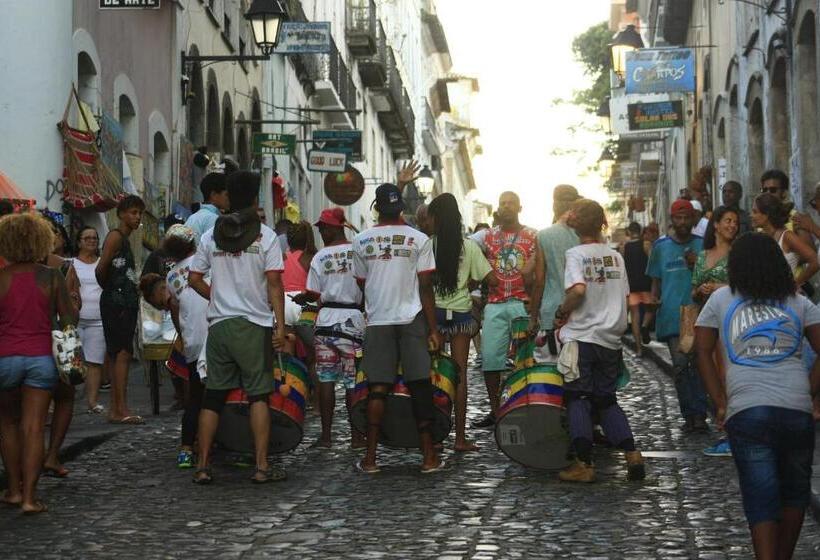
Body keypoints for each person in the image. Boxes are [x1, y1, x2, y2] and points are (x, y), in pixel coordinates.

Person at [695, 232, 820, 560]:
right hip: (796, 409)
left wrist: (719, 400)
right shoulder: (798, 301)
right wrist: (809, 389)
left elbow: (702, 351)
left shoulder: (721, 300)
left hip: (747, 411)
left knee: (759, 494)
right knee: (795, 494)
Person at [188, 171, 287, 484]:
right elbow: (274, 285)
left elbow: (193, 278)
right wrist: (280, 327)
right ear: (256, 199)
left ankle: (203, 466)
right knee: (259, 397)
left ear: (228, 197)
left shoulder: (209, 236)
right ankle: (261, 467)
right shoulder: (266, 237)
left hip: (219, 327)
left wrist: (216, 297)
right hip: (253, 326)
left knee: (213, 397)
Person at [352, 182, 443, 474]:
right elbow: (426, 287)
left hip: (378, 319)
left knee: (377, 388)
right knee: (420, 386)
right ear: (401, 207)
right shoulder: (419, 239)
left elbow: (362, 283)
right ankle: (429, 457)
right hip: (412, 316)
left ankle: (370, 458)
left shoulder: (361, 240)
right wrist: (433, 329)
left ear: (376, 208)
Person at [554, 200, 645, 483]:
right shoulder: (615, 256)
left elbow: (578, 290)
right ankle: (632, 454)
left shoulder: (575, 254)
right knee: (606, 399)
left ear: (576, 223)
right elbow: (625, 295)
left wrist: (562, 310)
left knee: (577, 397)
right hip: (611, 338)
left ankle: (584, 463)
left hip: (583, 336)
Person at [0, 213, 76, 514]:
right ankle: (31, 498)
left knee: (7, 424)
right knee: (33, 428)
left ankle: (14, 491)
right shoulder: (51, 276)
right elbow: (69, 319)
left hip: (4, 357)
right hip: (42, 357)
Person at [292, 207, 365, 449]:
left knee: (326, 379)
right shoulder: (357, 251)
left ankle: (326, 436)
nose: (321, 231)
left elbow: (313, 293)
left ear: (335, 227)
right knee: (352, 381)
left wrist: (303, 298)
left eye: (323, 227)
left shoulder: (320, 257)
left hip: (324, 323)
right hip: (352, 322)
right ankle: (356, 437)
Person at [428, 193, 495, 452]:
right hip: (460, 316)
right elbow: (492, 280)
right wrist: (472, 282)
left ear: (436, 218)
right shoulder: (469, 247)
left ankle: (433, 436)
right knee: (460, 376)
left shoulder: (428, 245)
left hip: (434, 315)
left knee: (432, 375)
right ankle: (459, 438)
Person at [140, 225, 209, 469]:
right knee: (222, 395)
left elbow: (177, 311)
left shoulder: (171, 277)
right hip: (215, 336)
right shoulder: (206, 263)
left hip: (192, 341)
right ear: (193, 244)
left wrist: (184, 337)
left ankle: (186, 449)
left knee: (194, 399)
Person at [470, 191, 538, 428]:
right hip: (495, 305)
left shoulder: (532, 236)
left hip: (522, 304)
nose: (506, 207)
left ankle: (525, 406)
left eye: (511, 203)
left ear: (520, 207)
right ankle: (495, 410)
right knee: (490, 360)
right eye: (502, 203)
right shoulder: (487, 236)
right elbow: (465, 248)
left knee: (525, 360)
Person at [647, 199, 708, 433]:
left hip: (698, 313)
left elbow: (711, 276)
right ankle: (690, 414)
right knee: (681, 367)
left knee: (698, 366)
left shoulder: (702, 245)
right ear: (672, 220)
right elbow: (656, 281)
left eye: (687, 218)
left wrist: (697, 266)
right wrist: (653, 304)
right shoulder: (660, 247)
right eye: (678, 218)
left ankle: (699, 413)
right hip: (672, 315)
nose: (682, 223)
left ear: (693, 219)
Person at [691, 206, 739, 457]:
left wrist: (719, 287)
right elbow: (693, 289)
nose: (732, 225)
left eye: (735, 222)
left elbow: (745, 283)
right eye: (728, 221)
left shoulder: (739, 254)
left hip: (730, 323)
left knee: (727, 376)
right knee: (710, 374)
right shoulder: (703, 255)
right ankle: (724, 424)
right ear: (717, 225)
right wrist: (701, 290)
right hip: (706, 322)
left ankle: (733, 432)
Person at [96, 195, 145, 425]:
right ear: (122, 214)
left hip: (122, 302)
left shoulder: (124, 239)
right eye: (133, 212)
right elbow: (101, 268)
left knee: (119, 354)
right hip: (118, 304)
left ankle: (118, 408)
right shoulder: (116, 237)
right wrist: (114, 290)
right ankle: (119, 408)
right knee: (122, 354)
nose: (137, 218)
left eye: (139, 213)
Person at [529, 185, 582, 362]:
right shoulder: (587, 234)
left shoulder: (544, 236)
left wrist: (533, 317)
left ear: (554, 205)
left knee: (552, 374)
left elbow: (539, 281)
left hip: (552, 313)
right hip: (583, 313)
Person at [66, 227, 105, 414]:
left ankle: (92, 402)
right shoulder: (70, 264)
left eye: (95, 237)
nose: (92, 240)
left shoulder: (102, 263)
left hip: (98, 320)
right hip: (76, 320)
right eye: (87, 237)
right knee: (72, 362)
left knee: (94, 362)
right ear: (79, 242)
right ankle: (67, 402)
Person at [752, 193, 819, 289]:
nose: (751, 215)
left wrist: (795, 284)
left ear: (766, 215)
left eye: (755, 212)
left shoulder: (787, 236)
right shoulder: (759, 236)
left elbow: (815, 261)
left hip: (784, 299)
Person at [620, 222, 655, 357]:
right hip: (646, 283)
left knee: (634, 316)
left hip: (632, 285)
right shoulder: (645, 244)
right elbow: (652, 261)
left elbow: (622, 265)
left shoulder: (624, 247)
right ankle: (645, 325)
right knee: (650, 308)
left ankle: (639, 349)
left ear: (629, 231)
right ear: (640, 231)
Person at [185, 172, 228, 242]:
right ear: (214, 195)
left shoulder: (194, 217)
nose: (229, 198)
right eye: (226, 194)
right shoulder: (213, 219)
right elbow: (213, 251)